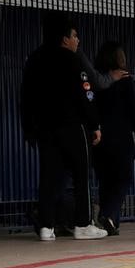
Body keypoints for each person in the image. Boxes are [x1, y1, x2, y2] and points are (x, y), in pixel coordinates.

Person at [21, 13, 108, 241]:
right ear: (64, 38)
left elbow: (25, 97)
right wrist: (94, 124)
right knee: (82, 173)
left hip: (45, 128)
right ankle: (83, 224)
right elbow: (86, 93)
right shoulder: (72, 59)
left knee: (48, 176)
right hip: (72, 125)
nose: (77, 41)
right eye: (75, 36)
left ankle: (46, 227)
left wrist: (29, 128)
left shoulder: (34, 59)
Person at [92, 41, 135, 236]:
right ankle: (107, 214)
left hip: (99, 136)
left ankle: (112, 223)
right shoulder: (124, 78)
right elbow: (133, 108)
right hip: (121, 136)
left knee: (106, 180)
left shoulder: (96, 78)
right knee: (124, 178)